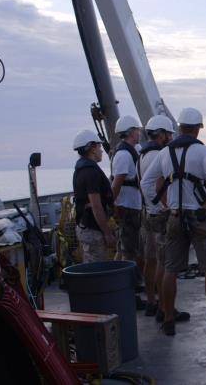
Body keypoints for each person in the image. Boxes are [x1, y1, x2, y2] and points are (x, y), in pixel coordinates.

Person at [141, 107, 206, 337]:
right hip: (198, 217)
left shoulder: (165, 153)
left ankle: (167, 319)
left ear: (179, 128)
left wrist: (162, 206)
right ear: (198, 129)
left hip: (174, 218)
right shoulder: (202, 152)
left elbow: (146, 183)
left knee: (170, 269)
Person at [138, 115, 182, 321]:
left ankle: (152, 302)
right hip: (159, 215)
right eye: (169, 133)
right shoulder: (160, 155)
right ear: (162, 134)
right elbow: (156, 184)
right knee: (166, 264)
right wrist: (166, 206)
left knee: (151, 260)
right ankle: (166, 310)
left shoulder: (142, 154)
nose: (171, 137)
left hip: (147, 213)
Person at [110, 115, 146, 309]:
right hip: (127, 208)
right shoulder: (124, 155)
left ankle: (134, 284)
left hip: (134, 207)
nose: (139, 133)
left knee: (133, 249)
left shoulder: (133, 151)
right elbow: (117, 183)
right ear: (132, 132)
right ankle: (127, 292)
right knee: (128, 251)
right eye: (137, 130)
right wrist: (112, 207)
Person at [72, 130, 115, 263]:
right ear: (92, 148)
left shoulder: (80, 169)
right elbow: (96, 205)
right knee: (97, 271)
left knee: (91, 268)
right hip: (92, 230)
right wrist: (107, 233)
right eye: (99, 146)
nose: (101, 150)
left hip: (85, 226)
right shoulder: (91, 172)